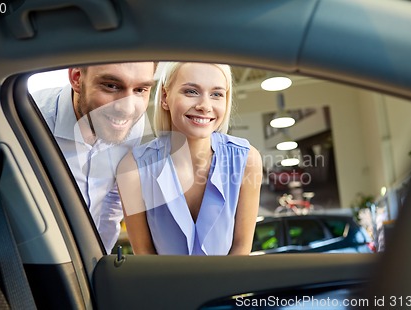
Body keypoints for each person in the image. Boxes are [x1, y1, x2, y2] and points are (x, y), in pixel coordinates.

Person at [117, 62, 263, 255]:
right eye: (191, 92)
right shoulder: (133, 168)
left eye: (217, 94)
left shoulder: (246, 160)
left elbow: (241, 249)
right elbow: (145, 255)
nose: (205, 106)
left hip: (229, 285)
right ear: (164, 97)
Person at [32, 62, 156, 254]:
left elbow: (113, 197)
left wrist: (97, 258)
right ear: (76, 78)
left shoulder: (129, 124)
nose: (128, 109)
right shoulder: (28, 122)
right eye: (111, 86)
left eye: (140, 89)